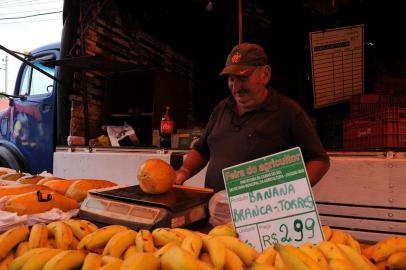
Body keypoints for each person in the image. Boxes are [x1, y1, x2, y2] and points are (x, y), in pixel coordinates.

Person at [175, 43, 330, 192]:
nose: (236, 88)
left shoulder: (289, 112)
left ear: (265, 74)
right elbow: (202, 150)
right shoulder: (221, 108)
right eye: (231, 79)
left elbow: (319, 160)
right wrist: (184, 171)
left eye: (243, 79)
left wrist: (290, 191)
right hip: (216, 212)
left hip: (262, 214)